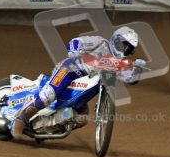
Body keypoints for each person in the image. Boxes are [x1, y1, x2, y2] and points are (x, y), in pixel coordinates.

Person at [11, 26, 146, 139]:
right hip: (69, 70)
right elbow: (74, 42)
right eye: (124, 45)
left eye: (128, 49)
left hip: (82, 87)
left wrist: (138, 68)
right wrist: (74, 54)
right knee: (48, 96)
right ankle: (20, 119)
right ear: (116, 40)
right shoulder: (100, 42)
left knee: (81, 119)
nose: (124, 50)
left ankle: (42, 129)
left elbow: (130, 79)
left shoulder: (117, 65)